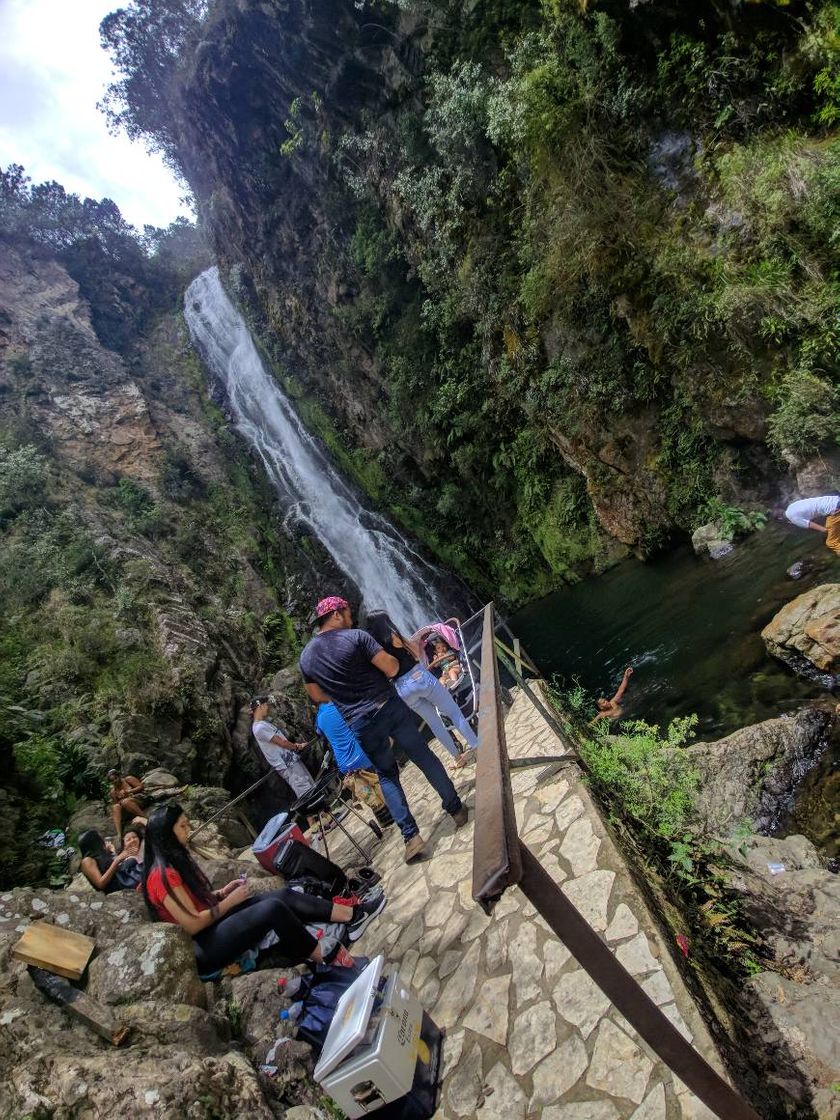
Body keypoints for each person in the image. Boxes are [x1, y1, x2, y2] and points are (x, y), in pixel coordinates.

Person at [298, 596, 468, 864]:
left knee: (387, 775)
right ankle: (456, 809)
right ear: (335, 614)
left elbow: (317, 695)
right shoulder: (356, 637)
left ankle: (411, 836)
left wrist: (346, 693)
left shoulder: (306, 657)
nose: (351, 616)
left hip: (360, 722)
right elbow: (391, 667)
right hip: (388, 706)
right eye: (347, 611)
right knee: (423, 756)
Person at [141, 803, 385, 977]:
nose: (188, 829)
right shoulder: (162, 876)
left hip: (210, 927)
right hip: (204, 947)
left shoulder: (172, 866)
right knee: (272, 909)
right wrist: (230, 902)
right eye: (182, 826)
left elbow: (193, 905)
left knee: (284, 894)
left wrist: (222, 893)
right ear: (167, 835)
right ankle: (327, 959)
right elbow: (192, 924)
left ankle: (351, 915)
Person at [367, 611, 478, 770]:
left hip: (402, 689)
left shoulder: (375, 648)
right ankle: (475, 744)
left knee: (435, 725)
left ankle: (457, 758)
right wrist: (409, 639)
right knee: (453, 712)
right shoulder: (394, 636)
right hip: (417, 677)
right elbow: (416, 652)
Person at [315, 701, 388, 814]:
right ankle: (394, 812)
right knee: (381, 784)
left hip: (345, 765)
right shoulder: (339, 705)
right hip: (362, 755)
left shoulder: (319, 718)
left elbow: (319, 733)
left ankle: (383, 817)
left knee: (368, 793)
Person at [250, 696, 316, 800]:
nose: (267, 707)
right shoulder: (259, 728)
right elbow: (282, 742)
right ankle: (314, 814)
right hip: (286, 765)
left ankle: (324, 813)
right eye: (266, 705)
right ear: (260, 706)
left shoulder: (262, 724)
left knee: (309, 785)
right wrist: (296, 746)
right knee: (305, 790)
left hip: (290, 761)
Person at [79, 829, 142, 893]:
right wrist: (117, 860)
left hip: (123, 875)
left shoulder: (103, 854)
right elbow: (100, 884)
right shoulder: (86, 861)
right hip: (118, 883)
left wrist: (111, 852)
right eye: (99, 838)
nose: (102, 839)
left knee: (132, 861)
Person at [108, 769, 146, 841]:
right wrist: (120, 799)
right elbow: (117, 804)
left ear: (119, 776)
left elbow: (140, 786)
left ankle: (145, 819)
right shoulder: (113, 792)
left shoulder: (128, 779)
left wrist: (128, 791)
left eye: (115, 778)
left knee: (126, 801)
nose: (115, 781)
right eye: (112, 781)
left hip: (138, 800)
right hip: (126, 807)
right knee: (115, 807)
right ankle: (119, 835)